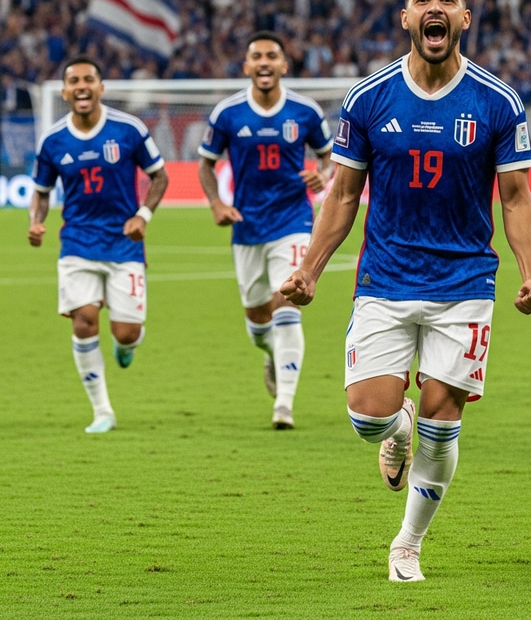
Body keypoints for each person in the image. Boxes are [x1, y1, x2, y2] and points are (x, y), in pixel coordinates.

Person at [280, 0, 531, 581]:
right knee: (369, 415)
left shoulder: (497, 101)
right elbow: (344, 195)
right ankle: (393, 428)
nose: (435, 8)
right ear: (406, 17)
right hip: (386, 278)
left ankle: (408, 544)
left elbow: (516, 198)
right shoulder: (368, 100)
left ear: (463, 17)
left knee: (443, 416)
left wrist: (529, 273)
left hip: (464, 286)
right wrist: (311, 270)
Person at [198, 30, 333, 430]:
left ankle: (284, 406)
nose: (263, 62)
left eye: (271, 56)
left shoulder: (306, 112)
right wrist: (217, 203)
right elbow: (206, 163)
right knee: (258, 321)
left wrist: (321, 175)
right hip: (247, 226)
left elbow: (329, 158)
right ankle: (271, 354)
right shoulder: (227, 114)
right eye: (256, 56)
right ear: (246, 66)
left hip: (293, 221)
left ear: (283, 65)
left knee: (287, 305)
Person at [28, 55, 168, 433]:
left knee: (126, 333)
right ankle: (102, 411)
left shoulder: (129, 129)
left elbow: (159, 177)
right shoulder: (53, 140)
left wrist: (143, 216)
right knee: (84, 322)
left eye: (89, 79)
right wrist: (36, 223)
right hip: (77, 243)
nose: (82, 86)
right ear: (65, 91)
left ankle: (127, 344)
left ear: (101, 88)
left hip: (124, 245)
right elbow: (40, 193)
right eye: (74, 81)